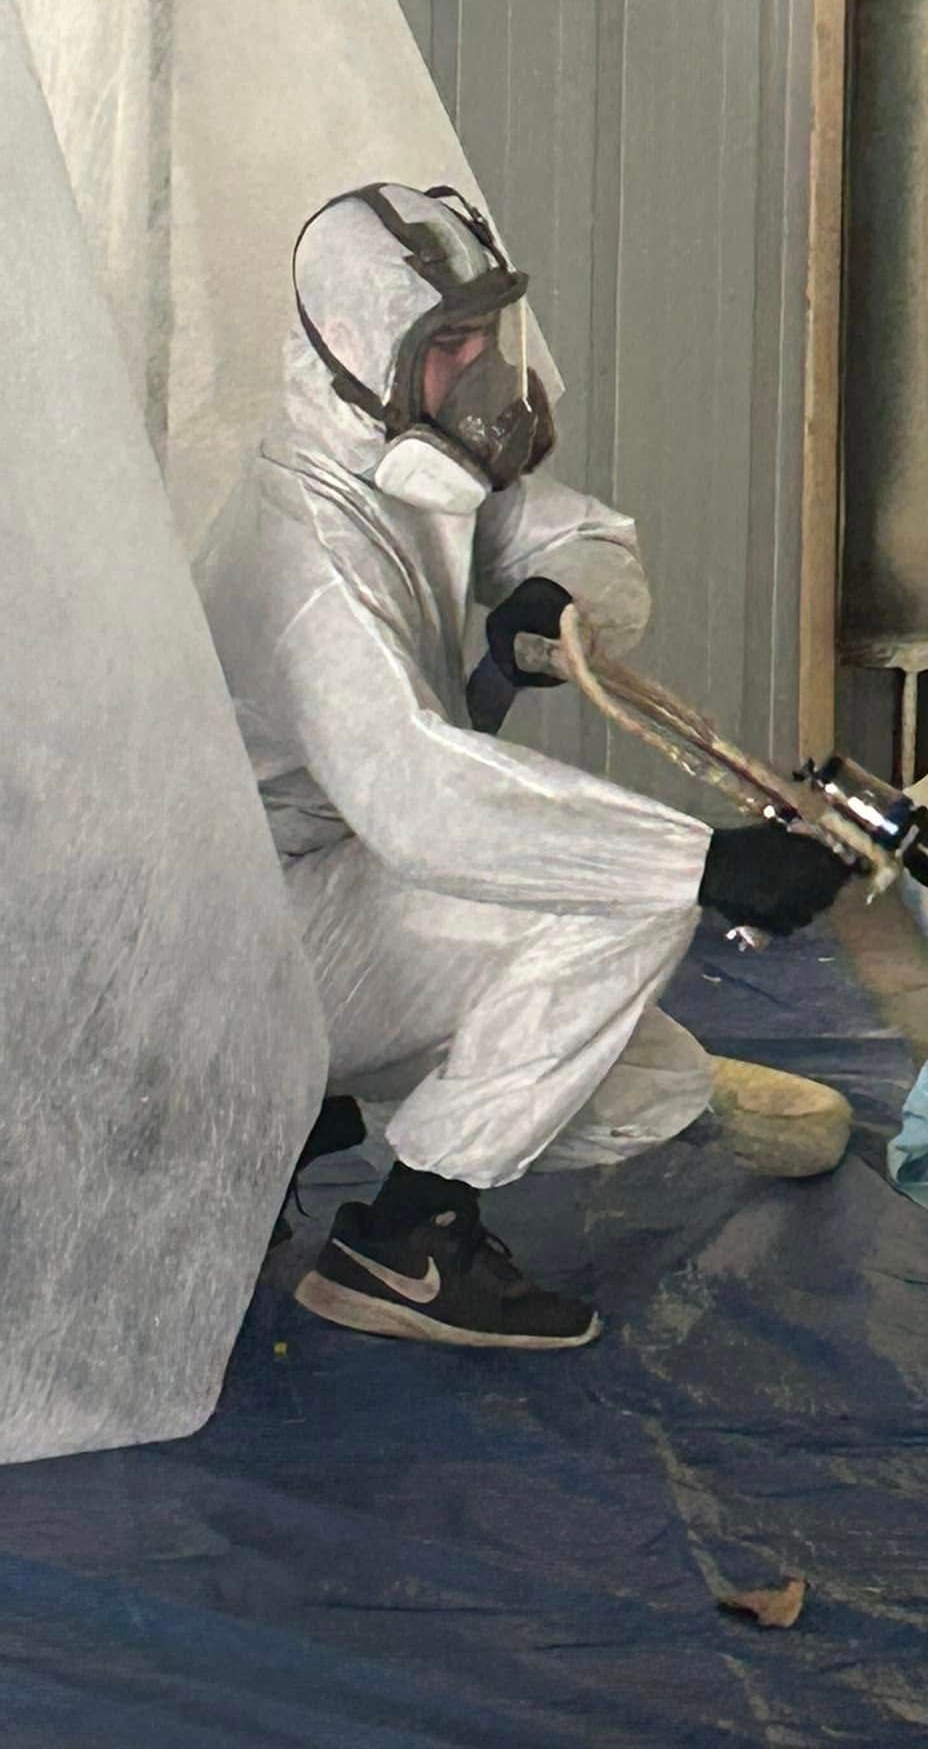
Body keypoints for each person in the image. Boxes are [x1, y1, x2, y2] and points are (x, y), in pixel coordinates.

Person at [196, 183, 852, 1351]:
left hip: (333, 910)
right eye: (448, 343)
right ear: (363, 348)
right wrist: (705, 864)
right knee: (622, 904)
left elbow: (589, 540)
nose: (484, 369)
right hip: (247, 948)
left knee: (649, 1088)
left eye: (486, 331)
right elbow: (425, 804)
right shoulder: (305, 551)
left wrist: (556, 595)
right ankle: (408, 1238)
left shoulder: (402, 466)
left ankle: (299, 1114)